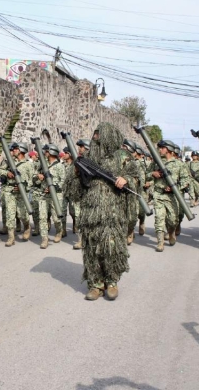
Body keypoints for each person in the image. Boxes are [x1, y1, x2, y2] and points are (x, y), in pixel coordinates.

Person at [65, 123, 137, 300]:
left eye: (99, 135)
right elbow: (73, 191)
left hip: (114, 212)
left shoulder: (122, 157)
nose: (95, 138)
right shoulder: (87, 157)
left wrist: (125, 180)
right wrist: (76, 173)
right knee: (91, 250)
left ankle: (112, 281)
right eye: (95, 134)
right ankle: (96, 284)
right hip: (90, 213)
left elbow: (136, 177)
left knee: (112, 248)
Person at [147, 139, 189, 251]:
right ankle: (160, 243)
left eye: (162, 148)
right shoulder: (156, 162)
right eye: (159, 148)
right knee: (159, 218)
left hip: (172, 196)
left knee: (173, 220)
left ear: (169, 149)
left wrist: (175, 187)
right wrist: (153, 173)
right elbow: (146, 173)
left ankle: (171, 233)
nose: (160, 150)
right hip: (159, 194)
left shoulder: (179, 164)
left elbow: (185, 180)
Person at [0, 142, 34, 246]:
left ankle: (27, 227)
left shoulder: (28, 164)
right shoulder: (9, 162)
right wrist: (6, 173)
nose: (12, 151)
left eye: (15, 149)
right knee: (10, 214)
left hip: (22, 193)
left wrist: (24, 186)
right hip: (10, 191)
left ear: (21, 150)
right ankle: (11, 237)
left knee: (22, 215)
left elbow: (32, 180)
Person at [35, 144, 65, 249]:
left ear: (52, 152)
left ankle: (59, 231)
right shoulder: (42, 165)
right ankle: (44, 238)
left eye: (47, 151)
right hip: (43, 194)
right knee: (42, 217)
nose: (45, 153)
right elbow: (35, 179)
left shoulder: (60, 166)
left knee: (56, 218)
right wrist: (39, 177)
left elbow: (63, 181)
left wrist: (54, 187)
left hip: (56, 195)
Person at [122, 140, 143, 245]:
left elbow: (138, 180)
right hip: (117, 193)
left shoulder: (135, 164)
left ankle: (130, 231)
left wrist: (127, 180)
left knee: (132, 218)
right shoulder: (115, 162)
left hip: (131, 194)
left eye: (125, 147)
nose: (122, 149)